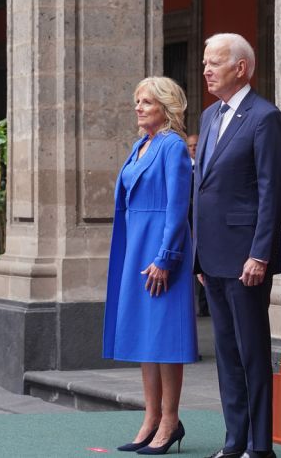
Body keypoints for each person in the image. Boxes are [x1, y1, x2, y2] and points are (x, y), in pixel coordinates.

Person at [193, 33, 281, 458]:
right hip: (211, 256)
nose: (207, 70)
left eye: (215, 63)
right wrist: (197, 253)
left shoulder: (264, 117)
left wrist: (260, 253)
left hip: (246, 256)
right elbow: (203, 187)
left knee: (252, 353)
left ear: (241, 68)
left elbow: (272, 192)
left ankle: (260, 445)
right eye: (204, 63)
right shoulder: (209, 115)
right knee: (226, 353)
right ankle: (234, 441)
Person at [103, 77, 197, 455]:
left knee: (165, 337)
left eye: (147, 102)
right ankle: (151, 417)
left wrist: (166, 257)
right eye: (137, 100)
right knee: (145, 336)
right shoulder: (141, 144)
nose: (138, 107)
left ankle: (170, 421)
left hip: (161, 246)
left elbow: (178, 208)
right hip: (135, 244)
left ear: (167, 107)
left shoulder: (172, 146)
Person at [184, 133, 209, 317]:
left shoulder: (207, 164)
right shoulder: (184, 167)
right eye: (190, 146)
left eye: (196, 145)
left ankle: (206, 305)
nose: (193, 148)